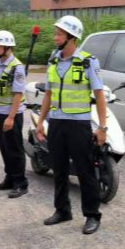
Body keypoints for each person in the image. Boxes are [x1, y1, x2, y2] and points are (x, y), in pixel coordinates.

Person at [36, 16, 107, 235]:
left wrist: (102, 127)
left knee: (85, 171)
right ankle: (62, 210)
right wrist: (41, 122)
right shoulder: (53, 61)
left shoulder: (88, 62)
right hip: (56, 123)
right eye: (55, 33)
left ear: (72, 37)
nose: (55, 37)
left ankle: (92, 215)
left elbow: (99, 95)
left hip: (79, 125)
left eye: (59, 34)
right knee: (58, 169)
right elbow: (48, 94)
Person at [0, 30, 29, 199]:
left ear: (7, 47)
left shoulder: (16, 67)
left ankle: (21, 183)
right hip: (0, 112)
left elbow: (18, 94)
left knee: (15, 149)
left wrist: (11, 118)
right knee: (4, 147)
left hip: (12, 114)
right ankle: (10, 178)